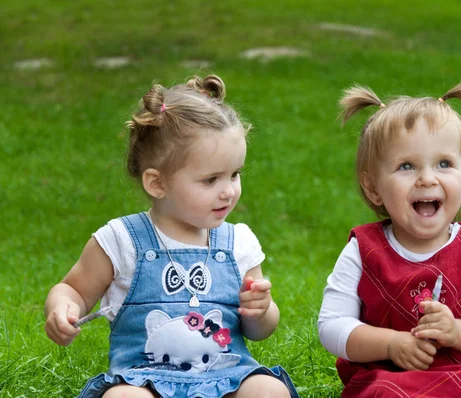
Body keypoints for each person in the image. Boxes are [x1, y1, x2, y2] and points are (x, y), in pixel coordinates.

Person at [44, 75, 299, 398]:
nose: (228, 191)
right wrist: (62, 308)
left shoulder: (239, 243)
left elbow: (258, 331)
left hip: (227, 378)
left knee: (269, 390)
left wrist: (261, 311)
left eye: (235, 174)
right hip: (145, 379)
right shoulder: (122, 240)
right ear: (157, 184)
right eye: (210, 180)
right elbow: (73, 290)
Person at [318, 82, 461, 397]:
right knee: (385, 391)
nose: (427, 178)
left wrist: (457, 332)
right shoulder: (363, 250)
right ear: (373, 187)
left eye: (444, 164)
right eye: (406, 166)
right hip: (386, 377)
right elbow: (332, 327)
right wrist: (390, 344)